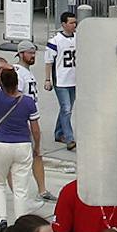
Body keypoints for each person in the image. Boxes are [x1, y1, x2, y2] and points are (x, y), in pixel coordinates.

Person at [0, 62, 43, 230]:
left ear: (2, 83)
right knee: (21, 187)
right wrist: (37, 147)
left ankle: (2, 219)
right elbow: (35, 129)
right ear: (17, 82)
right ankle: (20, 221)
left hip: (1, 144)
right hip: (22, 144)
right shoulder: (28, 102)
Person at [46, 11, 81, 149]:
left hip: (74, 79)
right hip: (61, 81)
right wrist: (47, 79)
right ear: (63, 24)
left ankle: (59, 133)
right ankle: (69, 138)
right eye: (71, 23)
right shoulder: (55, 41)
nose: (74, 25)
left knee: (66, 108)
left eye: (75, 22)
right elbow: (49, 61)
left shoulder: (78, 38)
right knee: (66, 109)